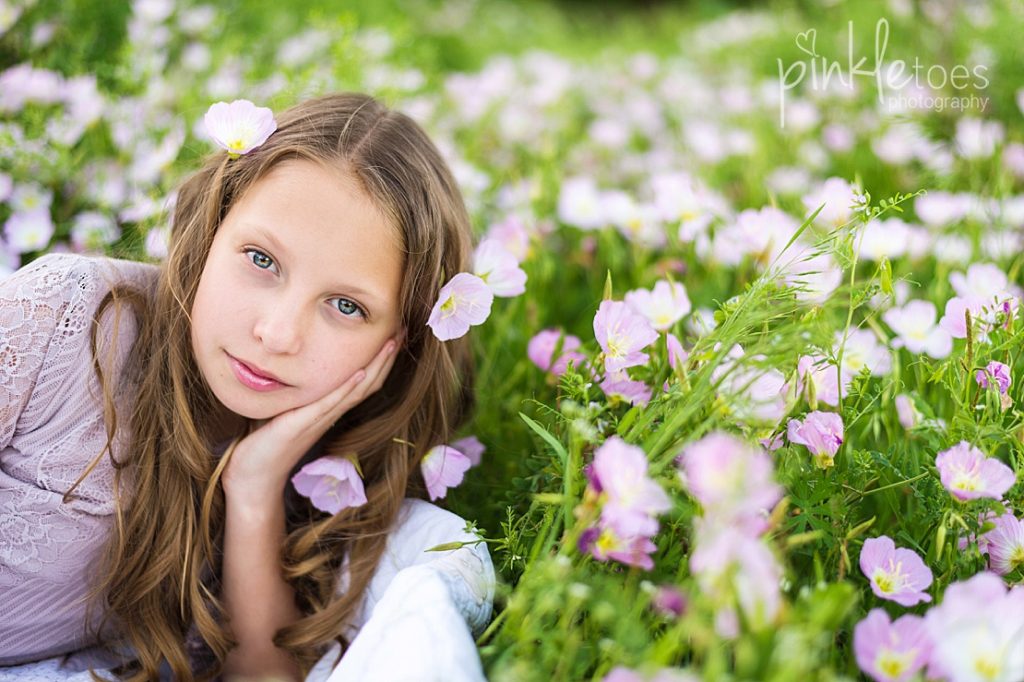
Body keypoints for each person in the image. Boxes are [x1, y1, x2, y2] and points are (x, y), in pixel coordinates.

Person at [0, 92, 495, 681]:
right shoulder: (68, 322)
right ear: (212, 228)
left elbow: (263, 676)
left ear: (402, 339)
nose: (278, 333)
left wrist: (254, 491)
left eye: (345, 305)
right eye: (261, 259)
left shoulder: (323, 483)